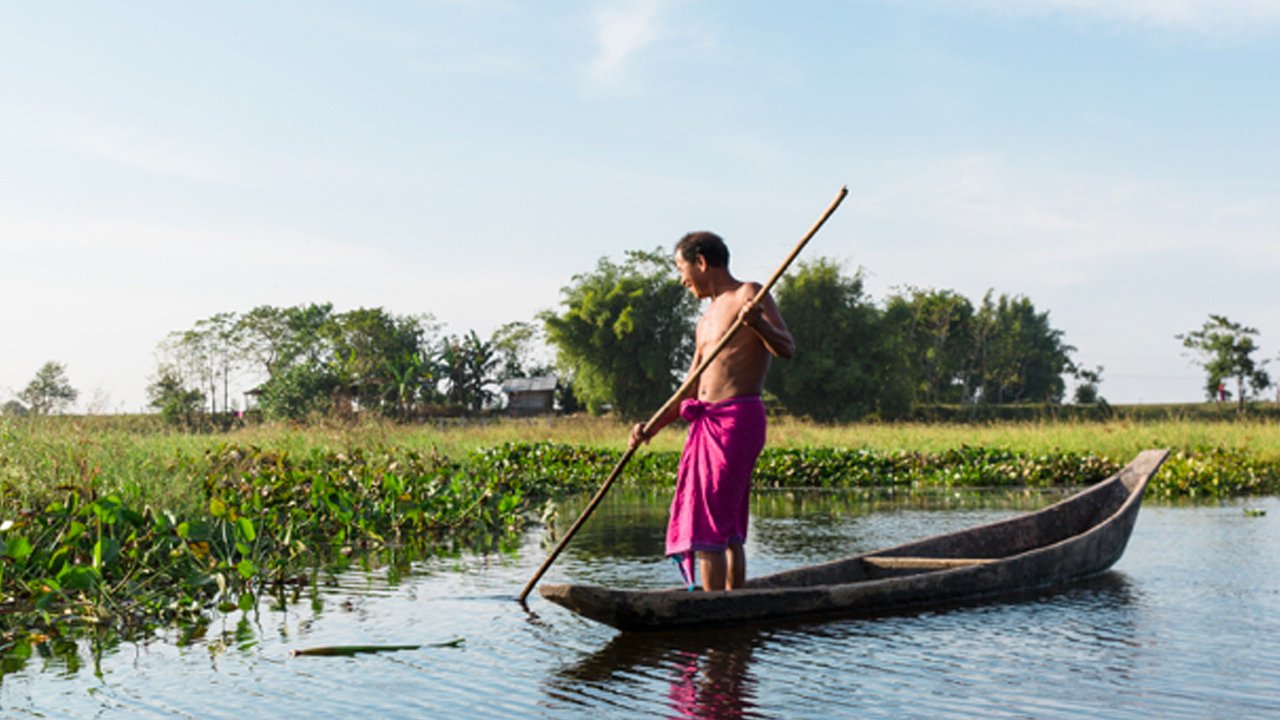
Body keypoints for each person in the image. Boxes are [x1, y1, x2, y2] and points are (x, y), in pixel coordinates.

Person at [629, 231, 795, 592]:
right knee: (728, 525)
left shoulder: (749, 294)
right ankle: (733, 601)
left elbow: (786, 348)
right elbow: (690, 386)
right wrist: (651, 427)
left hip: (736, 419)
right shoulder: (704, 321)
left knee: (707, 525)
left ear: (701, 262)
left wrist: (759, 324)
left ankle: (714, 608)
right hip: (706, 423)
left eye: (681, 268)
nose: (682, 279)